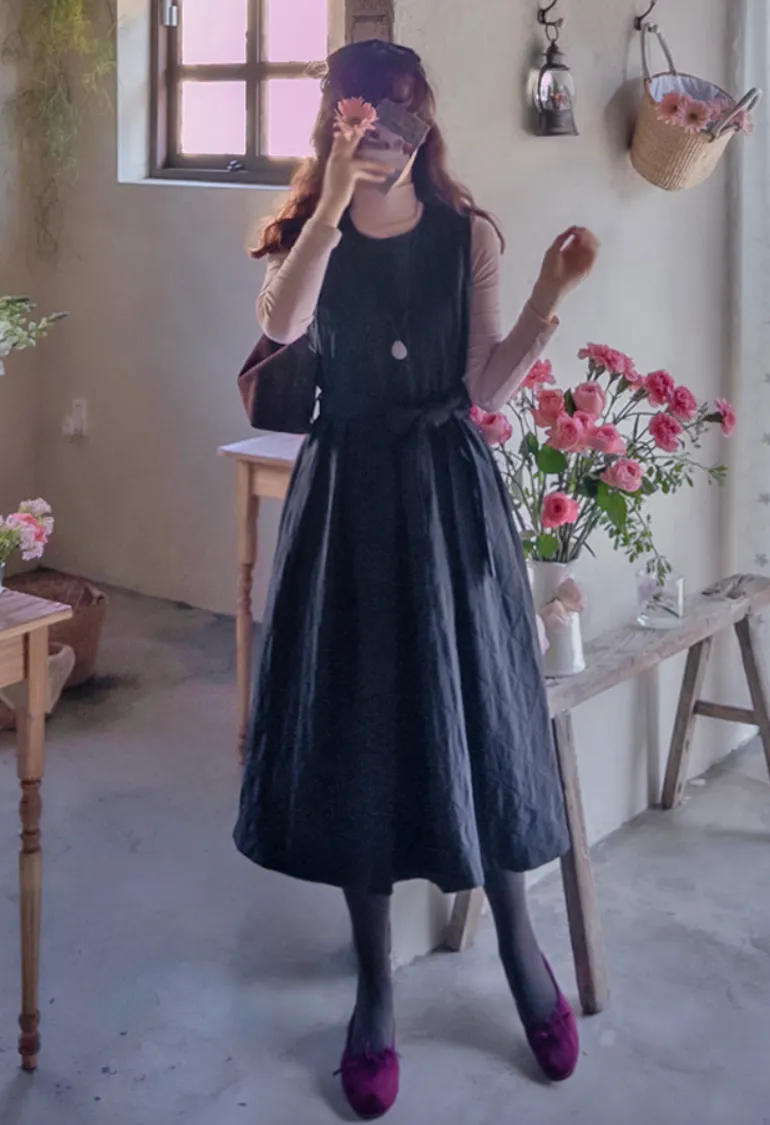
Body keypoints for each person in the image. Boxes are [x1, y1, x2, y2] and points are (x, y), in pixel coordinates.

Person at [234, 39, 599, 1119]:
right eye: (360, 115)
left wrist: (548, 292)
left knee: (483, 717)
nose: (383, 132)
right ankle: (375, 991)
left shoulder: (464, 233)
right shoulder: (312, 233)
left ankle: (521, 951)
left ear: (423, 117)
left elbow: (485, 384)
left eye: (399, 111)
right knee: (360, 728)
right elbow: (279, 324)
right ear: (334, 124)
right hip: (348, 499)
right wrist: (329, 206)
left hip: (446, 496)